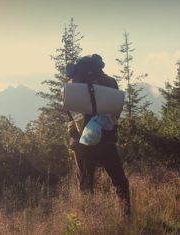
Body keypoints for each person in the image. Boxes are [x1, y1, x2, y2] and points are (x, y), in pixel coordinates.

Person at [66, 54, 131, 215]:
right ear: (99, 66)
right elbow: (116, 110)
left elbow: (69, 113)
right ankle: (126, 216)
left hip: (80, 141)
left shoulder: (72, 85)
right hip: (105, 139)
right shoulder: (109, 82)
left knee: (86, 184)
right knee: (119, 181)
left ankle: (89, 221)